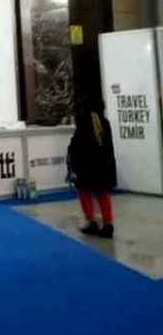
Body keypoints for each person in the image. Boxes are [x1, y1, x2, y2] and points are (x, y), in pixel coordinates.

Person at [68, 95, 117, 239]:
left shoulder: (84, 123)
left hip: (87, 166)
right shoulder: (105, 122)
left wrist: (73, 164)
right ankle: (108, 224)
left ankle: (91, 221)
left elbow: (76, 146)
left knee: (83, 191)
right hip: (104, 164)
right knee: (103, 193)